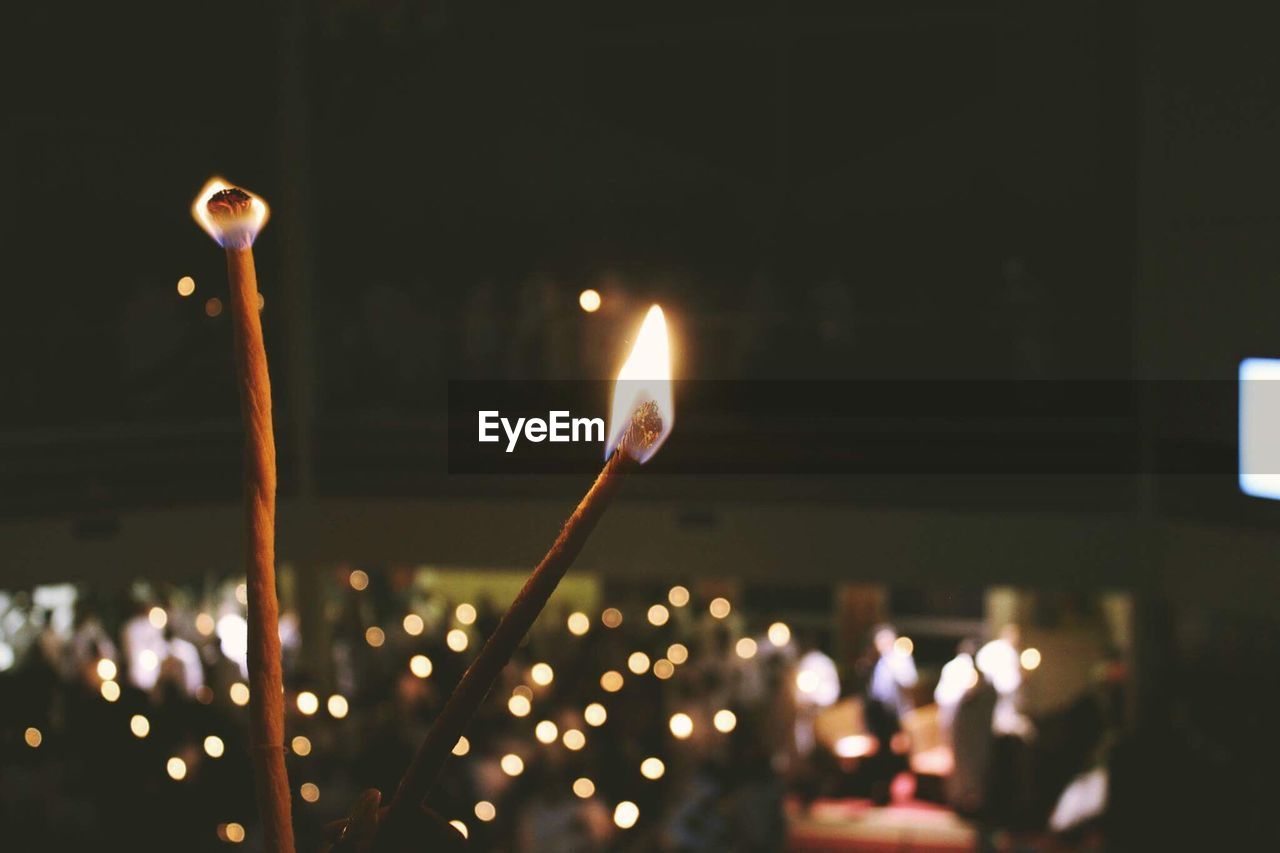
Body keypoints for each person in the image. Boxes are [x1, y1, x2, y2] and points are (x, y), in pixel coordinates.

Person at [864, 625, 917, 803]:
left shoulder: (900, 659)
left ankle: (889, 788)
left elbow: (909, 681)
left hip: (893, 714)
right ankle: (880, 788)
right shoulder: (878, 661)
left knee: (892, 754)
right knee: (881, 752)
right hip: (878, 713)